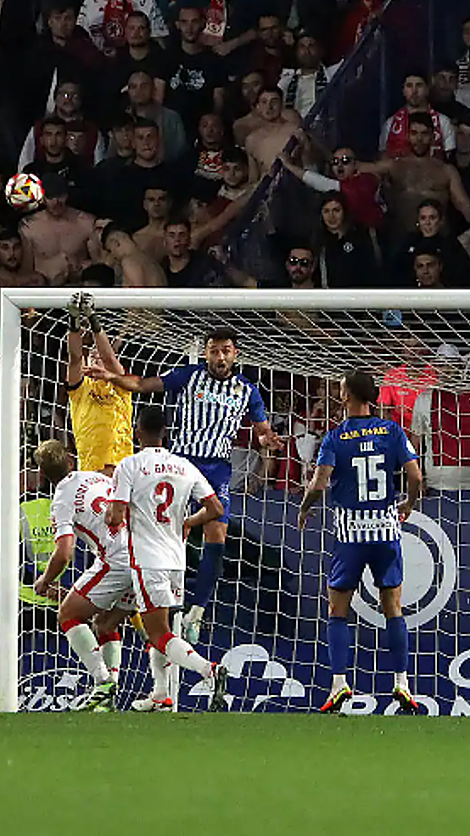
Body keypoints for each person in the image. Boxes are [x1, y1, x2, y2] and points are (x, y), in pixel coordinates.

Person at [87, 328, 281, 645]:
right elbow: (141, 385)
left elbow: (262, 431)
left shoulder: (247, 390)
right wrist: (111, 376)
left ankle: (197, 611)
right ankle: (137, 598)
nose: (220, 356)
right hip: (180, 465)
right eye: (214, 350)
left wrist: (267, 439)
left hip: (217, 470)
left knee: (217, 534)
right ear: (205, 353)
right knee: (158, 533)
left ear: (235, 354)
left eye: (226, 350)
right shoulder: (189, 376)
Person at [297, 369, 424, 713]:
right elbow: (415, 475)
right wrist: (409, 504)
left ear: (347, 396)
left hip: (351, 533)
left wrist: (305, 508)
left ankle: (339, 683)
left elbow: (320, 483)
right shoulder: (392, 431)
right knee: (393, 607)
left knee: (337, 610)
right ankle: (402, 683)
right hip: (385, 530)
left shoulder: (336, 437)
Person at [104, 405, 229, 711]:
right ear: (166, 433)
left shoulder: (130, 465)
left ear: (137, 431)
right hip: (176, 560)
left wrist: (111, 516)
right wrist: (187, 522)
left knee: (157, 632)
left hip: (147, 560)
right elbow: (216, 509)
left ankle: (209, 671)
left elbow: (115, 516)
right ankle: (161, 694)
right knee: (161, 628)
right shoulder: (184, 466)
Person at [31, 438, 136, 712]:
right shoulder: (96, 478)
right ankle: (110, 698)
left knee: (68, 615)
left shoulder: (61, 500)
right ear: (70, 460)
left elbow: (64, 552)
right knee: (106, 625)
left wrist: (45, 580)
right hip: (143, 555)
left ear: (42, 475)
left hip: (116, 560)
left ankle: (103, 682)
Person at [64, 294, 131, 477]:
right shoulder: (80, 389)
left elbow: (109, 358)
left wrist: (92, 318)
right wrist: (74, 319)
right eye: (91, 355)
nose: (94, 356)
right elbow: (74, 358)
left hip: (121, 471)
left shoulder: (121, 386)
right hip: (90, 473)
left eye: (98, 356)